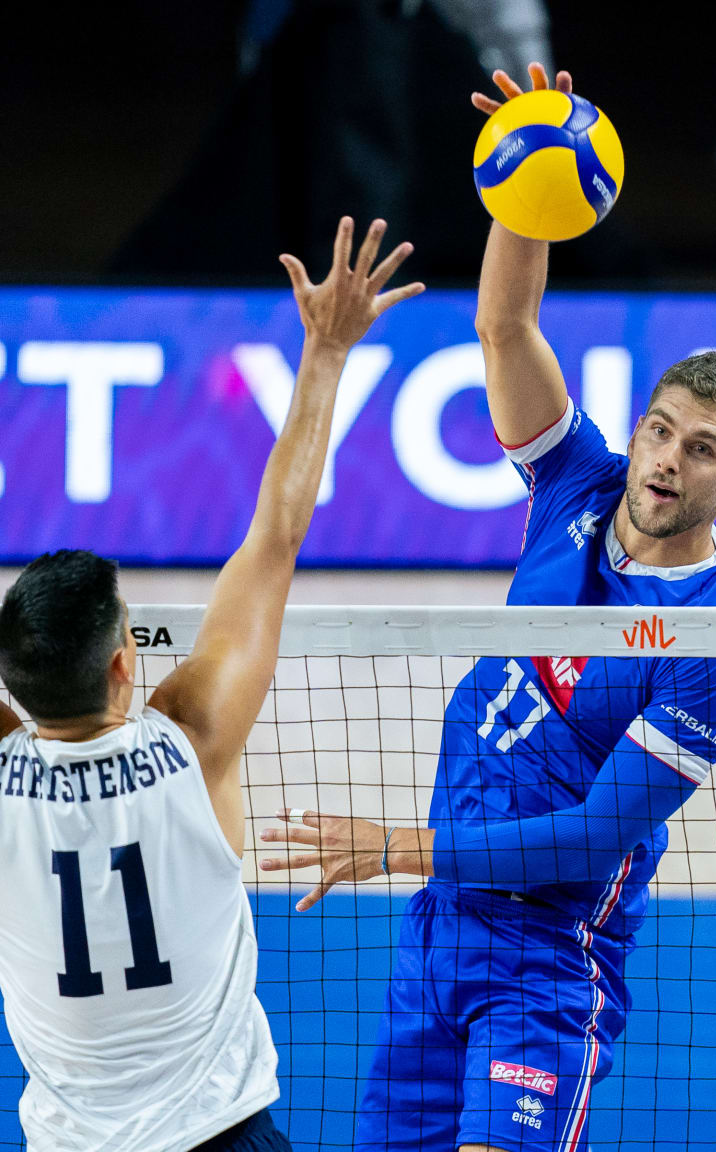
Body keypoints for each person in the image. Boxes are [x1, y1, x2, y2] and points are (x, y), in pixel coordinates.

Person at [259, 65, 716, 1152]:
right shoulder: (579, 482)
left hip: (545, 965)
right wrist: (523, 189)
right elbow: (504, 325)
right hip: (437, 936)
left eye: (705, 450)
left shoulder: (715, 642)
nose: (671, 460)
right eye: (664, 429)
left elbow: (593, 835)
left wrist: (398, 845)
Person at [0, 217, 423, 1152]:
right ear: (126, 663)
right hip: (221, 1134)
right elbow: (275, 536)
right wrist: (326, 351)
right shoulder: (190, 736)